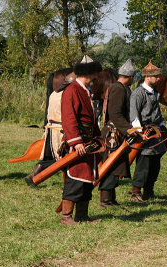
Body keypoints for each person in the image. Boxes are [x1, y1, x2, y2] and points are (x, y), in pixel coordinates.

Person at [60, 55, 103, 225]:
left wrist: (98, 136)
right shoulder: (71, 90)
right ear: (88, 73)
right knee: (75, 178)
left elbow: (92, 119)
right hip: (78, 143)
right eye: (95, 74)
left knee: (87, 179)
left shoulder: (87, 91)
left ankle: (82, 216)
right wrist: (76, 142)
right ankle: (66, 217)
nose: (96, 77)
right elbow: (69, 118)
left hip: (89, 142)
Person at [99, 59, 137, 207]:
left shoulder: (119, 87)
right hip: (113, 134)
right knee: (111, 165)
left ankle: (110, 198)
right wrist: (128, 129)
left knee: (116, 166)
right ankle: (105, 199)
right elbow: (115, 114)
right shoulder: (118, 88)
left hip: (117, 132)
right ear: (131, 77)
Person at [129, 61, 167, 202]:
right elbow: (134, 115)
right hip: (145, 133)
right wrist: (140, 133)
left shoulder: (155, 92)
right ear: (148, 77)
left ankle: (149, 192)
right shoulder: (138, 93)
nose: (158, 78)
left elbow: (157, 113)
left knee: (155, 164)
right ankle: (136, 193)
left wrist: (163, 127)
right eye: (156, 76)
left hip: (156, 132)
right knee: (144, 163)